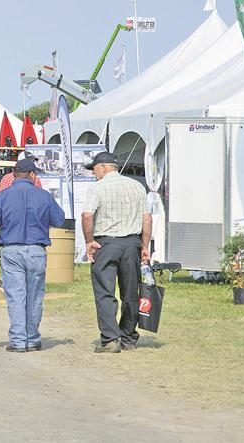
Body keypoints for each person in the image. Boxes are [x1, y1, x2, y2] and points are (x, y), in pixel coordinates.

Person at [0, 158, 65, 352]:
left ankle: (18, 341)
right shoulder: (44, 196)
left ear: (13, 175)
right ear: (33, 175)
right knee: (35, 296)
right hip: (36, 251)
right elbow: (59, 220)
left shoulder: (2, 197)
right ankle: (33, 339)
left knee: (16, 296)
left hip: (11, 251)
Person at [81, 151, 151, 353]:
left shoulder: (97, 188)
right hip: (131, 244)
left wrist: (89, 241)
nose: (94, 173)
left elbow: (87, 215)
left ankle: (111, 339)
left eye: (94, 169)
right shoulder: (137, 186)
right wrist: (144, 246)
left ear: (103, 167)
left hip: (106, 244)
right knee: (131, 293)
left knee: (105, 292)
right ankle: (128, 337)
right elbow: (147, 219)